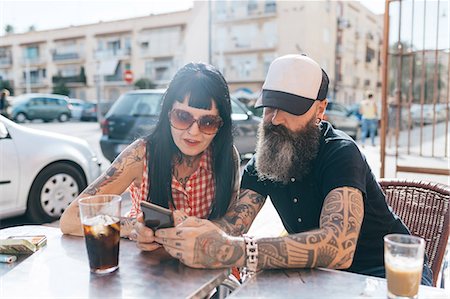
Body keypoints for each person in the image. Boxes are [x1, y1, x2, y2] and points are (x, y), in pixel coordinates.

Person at [152, 54, 433, 285]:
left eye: (289, 108)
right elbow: (234, 227)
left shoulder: (341, 152)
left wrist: (239, 251)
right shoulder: (266, 156)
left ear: (320, 110)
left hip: (388, 276)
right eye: (269, 106)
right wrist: (187, 232)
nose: (274, 119)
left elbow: (338, 248)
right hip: (325, 280)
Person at [60, 62, 240, 245]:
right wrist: (134, 226)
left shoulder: (226, 156)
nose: (193, 132)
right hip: (149, 267)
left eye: (208, 122)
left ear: (221, 125)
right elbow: (70, 220)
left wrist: (208, 231)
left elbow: (232, 221)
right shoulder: (140, 155)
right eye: (183, 117)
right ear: (168, 114)